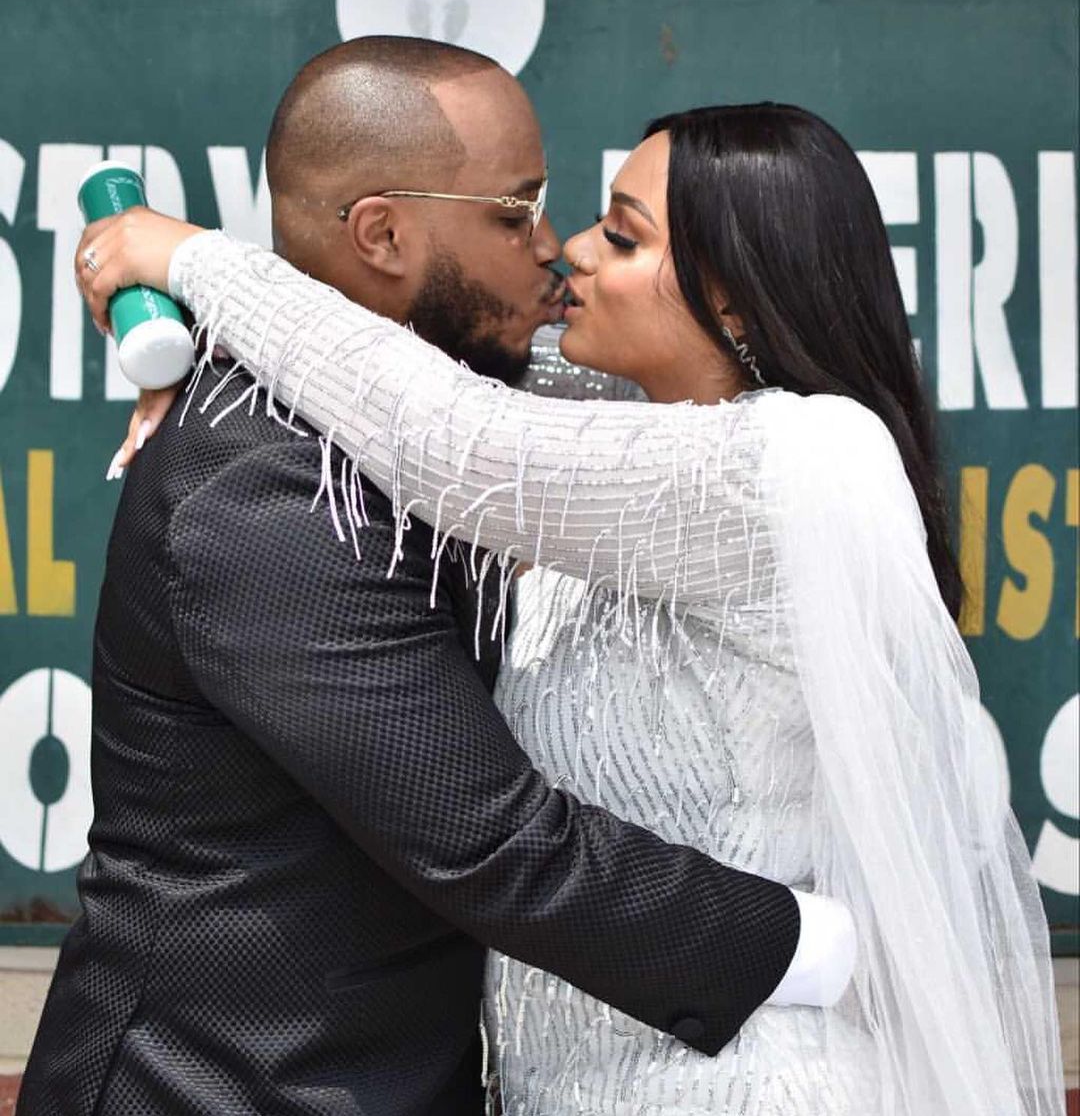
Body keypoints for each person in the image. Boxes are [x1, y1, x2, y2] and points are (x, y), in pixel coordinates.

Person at [75, 97, 1065, 1116]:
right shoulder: (611, 438)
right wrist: (223, 363)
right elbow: (405, 377)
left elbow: (445, 430)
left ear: (735, 302)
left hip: (748, 1077)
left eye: (622, 236)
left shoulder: (794, 456)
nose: (568, 253)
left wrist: (191, 261)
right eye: (534, 217)